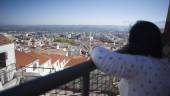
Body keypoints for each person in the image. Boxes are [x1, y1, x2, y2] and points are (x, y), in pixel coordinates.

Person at [91, 21, 170, 96]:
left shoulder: (139, 63)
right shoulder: (165, 65)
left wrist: (94, 48)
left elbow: (99, 55)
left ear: (134, 42)